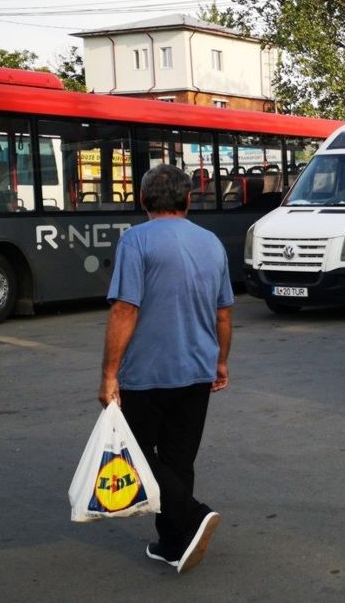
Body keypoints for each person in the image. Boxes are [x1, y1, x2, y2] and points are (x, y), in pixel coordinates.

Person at [98, 163, 233, 574]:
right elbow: (224, 313)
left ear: (142, 200)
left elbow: (125, 308)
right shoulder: (211, 242)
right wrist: (221, 361)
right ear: (188, 199)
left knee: (136, 454)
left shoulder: (136, 240)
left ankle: (192, 515)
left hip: (147, 373)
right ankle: (174, 544)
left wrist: (108, 374)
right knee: (178, 458)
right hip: (196, 369)